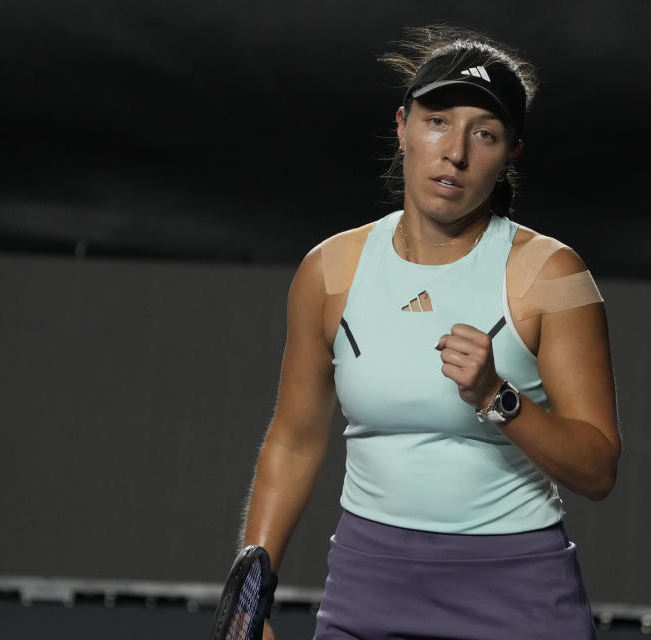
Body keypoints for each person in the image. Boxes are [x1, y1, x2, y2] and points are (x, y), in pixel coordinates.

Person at [239, 24, 620, 640]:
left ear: (511, 154)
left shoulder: (555, 275)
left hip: (517, 598)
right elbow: (294, 441)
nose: (456, 152)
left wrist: (499, 397)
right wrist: (250, 589)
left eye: (485, 134)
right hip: (367, 592)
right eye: (438, 121)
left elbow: (598, 470)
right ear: (403, 126)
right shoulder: (329, 271)